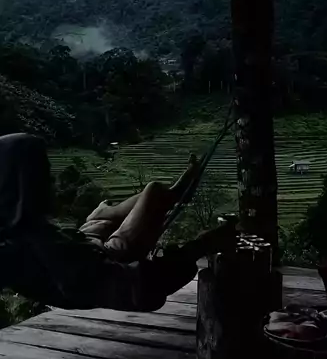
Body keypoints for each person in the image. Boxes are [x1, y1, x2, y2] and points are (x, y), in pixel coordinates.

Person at [0, 133, 234, 312]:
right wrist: (199, 247)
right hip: (108, 254)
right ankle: (171, 195)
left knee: (101, 215)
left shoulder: (14, 229)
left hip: (82, 240)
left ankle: (170, 196)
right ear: (27, 183)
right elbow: (135, 287)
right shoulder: (43, 246)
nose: (52, 182)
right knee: (152, 191)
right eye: (44, 176)